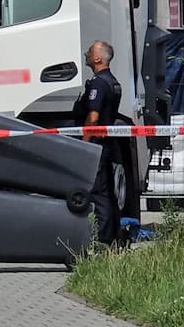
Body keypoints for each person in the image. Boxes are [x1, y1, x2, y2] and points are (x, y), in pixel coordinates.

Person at [73, 40, 123, 244]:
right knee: (109, 193)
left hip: (97, 145)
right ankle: (115, 238)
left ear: (98, 58)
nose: (86, 53)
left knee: (99, 193)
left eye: (90, 51)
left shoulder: (99, 83)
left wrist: (84, 145)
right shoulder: (113, 81)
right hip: (107, 144)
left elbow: (93, 118)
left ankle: (102, 241)